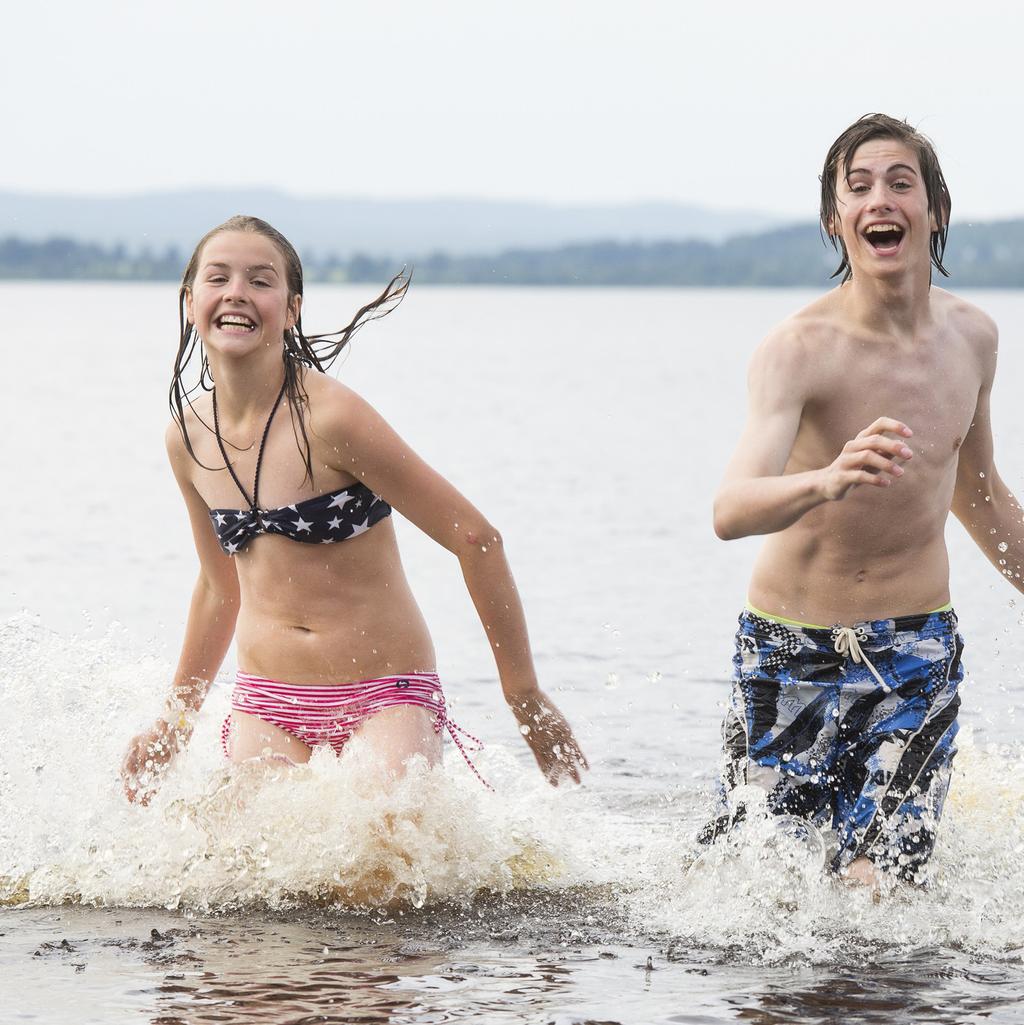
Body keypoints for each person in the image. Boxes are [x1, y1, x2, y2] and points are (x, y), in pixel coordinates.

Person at [121, 215, 587, 804]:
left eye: (260, 281)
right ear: (191, 302)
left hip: (384, 692)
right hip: (269, 699)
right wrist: (175, 723)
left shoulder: (331, 419)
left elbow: (476, 539)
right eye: (219, 278)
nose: (237, 291)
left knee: (383, 867)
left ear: (290, 309)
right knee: (245, 873)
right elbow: (219, 589)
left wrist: (523, 694)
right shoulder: (186, 439)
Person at [703, 114, 1023, 886]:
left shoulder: (974, 339)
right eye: (859, 186)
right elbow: (731, 508)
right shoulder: (798, 349)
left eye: (900, 183)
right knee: (763, 896)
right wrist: (826, 479)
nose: (880, 198)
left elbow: (978, 494)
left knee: (881, 889)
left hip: (916, 656)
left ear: (934, 211)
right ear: (835, 219)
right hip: (789, 651)